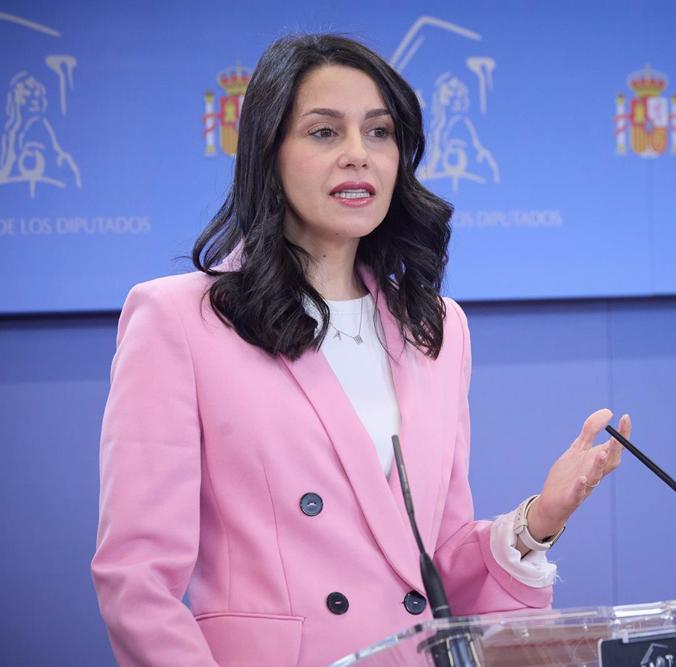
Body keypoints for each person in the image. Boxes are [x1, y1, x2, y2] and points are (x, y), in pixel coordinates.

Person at [91, 34, 631, 667]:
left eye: (379, 133)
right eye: (325, 133)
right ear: (269, 152)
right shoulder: (180, 319)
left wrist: (537, 520)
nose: (359, 156)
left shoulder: (436, 328)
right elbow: (137, 581)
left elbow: (435, 562)